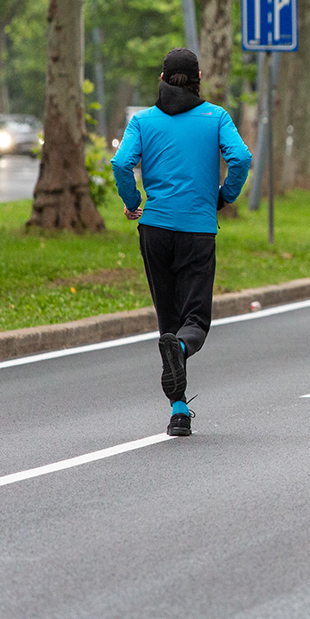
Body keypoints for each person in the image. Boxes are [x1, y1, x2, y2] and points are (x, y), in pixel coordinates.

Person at [111, 48, 251, 436]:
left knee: (168, 321)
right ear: (199, 79)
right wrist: (223, 196)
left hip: (154, 230)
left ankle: (178, 411)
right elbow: (241, 157)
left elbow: (121, 163)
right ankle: (183, 354)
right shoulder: (216, 117)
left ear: (161, 78)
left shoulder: (142, 121)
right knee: (194, 322)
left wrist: (132, 202)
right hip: (198, 230)